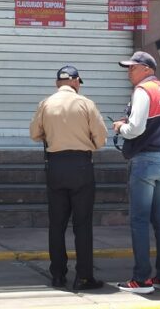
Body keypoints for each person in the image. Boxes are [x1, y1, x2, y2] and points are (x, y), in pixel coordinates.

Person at [30, 65, 108, 291]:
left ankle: (57, 274)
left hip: (55, 166)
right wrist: (86, 145)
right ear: (75, 82)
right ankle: (83, 277)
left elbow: (35, 133)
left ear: (57, 84)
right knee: (82, 225)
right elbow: (101, 139)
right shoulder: (86, 104)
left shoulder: (46, 104)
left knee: (57, 225)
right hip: (81, 166)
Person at [113, 51, 160, 294]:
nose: (129, 71)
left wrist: (121, 126)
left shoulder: (143, 90)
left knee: (139, 220)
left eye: (132, 67)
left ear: (147, 69)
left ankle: (141, 279)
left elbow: (136, 128)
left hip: (146, 161)